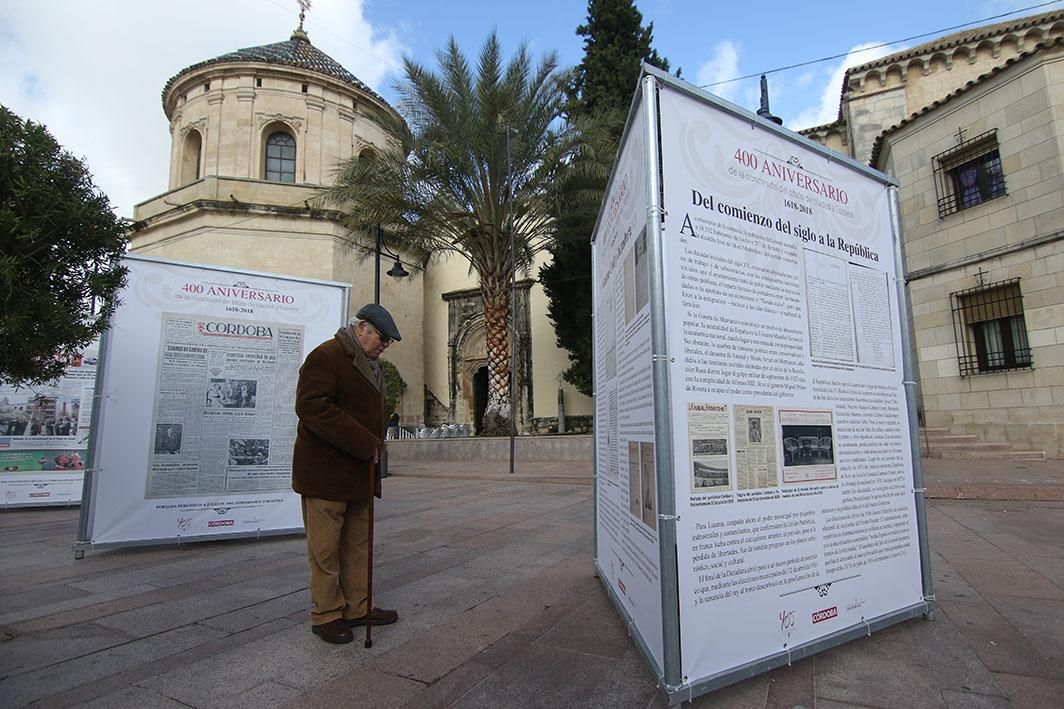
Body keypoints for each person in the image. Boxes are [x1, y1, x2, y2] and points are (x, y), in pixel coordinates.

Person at [292, 303, 402, 645]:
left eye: (387, 342)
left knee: (357, 545)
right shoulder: (326, 356)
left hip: (358, 473)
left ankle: (358, 607)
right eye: (382, 338)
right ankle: (326, 614)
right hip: (326, 472)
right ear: (362, 329)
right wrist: (364, 441)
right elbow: (311, 407)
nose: (384, 346)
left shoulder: (371, 365)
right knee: (325, 550)